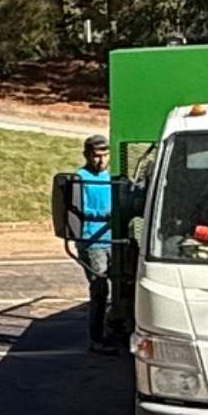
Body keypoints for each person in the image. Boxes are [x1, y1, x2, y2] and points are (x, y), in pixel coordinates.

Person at [67, 132, 119, 352]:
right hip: (92, 241)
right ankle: (96, 339)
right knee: (99, 290)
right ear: (87, 155)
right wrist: (107, 214)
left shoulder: (112, 176)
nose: (101, 160)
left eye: (105, 155)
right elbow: (79, 208)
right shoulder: (80, 177)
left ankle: (114, 328)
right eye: (96, 156)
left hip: (115, 240)